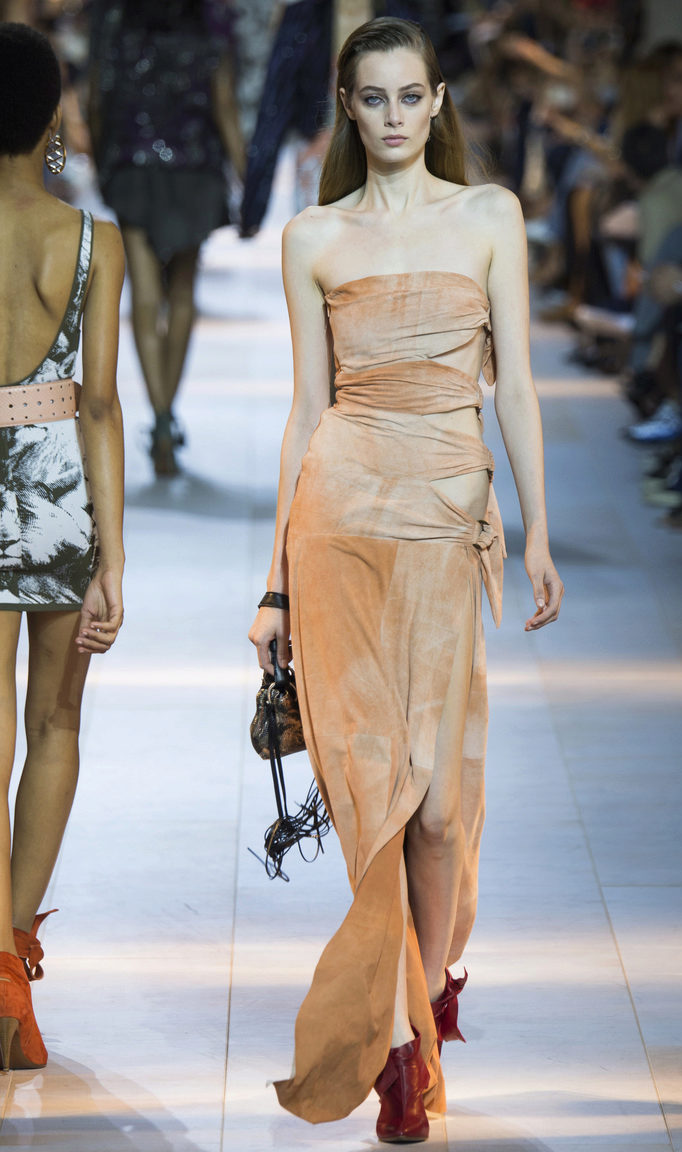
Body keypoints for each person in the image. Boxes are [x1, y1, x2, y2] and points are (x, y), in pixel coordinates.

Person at [248, 17, 563, 1144]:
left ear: (438, 103)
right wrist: (275, 585)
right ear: (347, 105)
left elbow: (514, 385)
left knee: (434, 811)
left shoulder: (489, 217)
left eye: (410, 97)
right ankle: (402, 1051)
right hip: (339, 521)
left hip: (442, 523)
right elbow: (307, 409)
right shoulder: (313, 236)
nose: (393, 116)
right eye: (373, 98)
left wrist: (537, 530)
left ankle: (424, 1001)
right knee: (374, 800)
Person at [0, 22, 124, 1069]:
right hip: (53, 491)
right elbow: (101, 407)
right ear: (50, 114)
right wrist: (113, 557)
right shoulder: (90, 241)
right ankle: (9, 978)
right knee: (55, 722)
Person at [89, 0, 245, 477]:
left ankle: (158, 417)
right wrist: (247, 179)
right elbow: (224, 107)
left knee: (142, 296)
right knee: (181, 296)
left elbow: (98, 100)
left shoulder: (119, 32)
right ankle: (165, 414)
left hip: (134, 167)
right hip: (195, 170)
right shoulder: (208, 36)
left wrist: (101, 165)